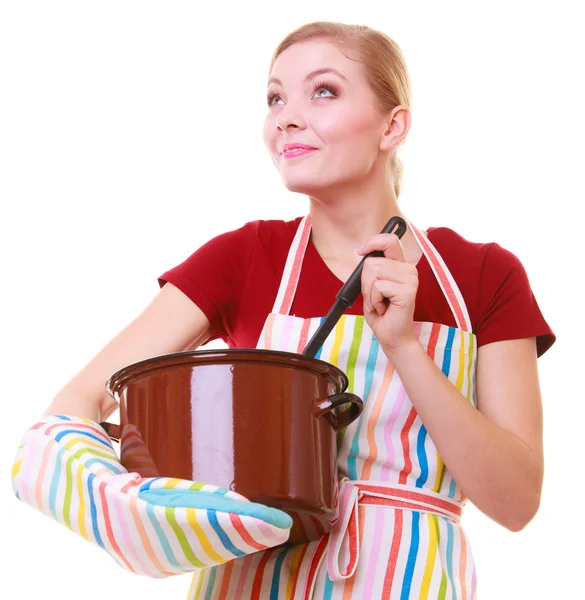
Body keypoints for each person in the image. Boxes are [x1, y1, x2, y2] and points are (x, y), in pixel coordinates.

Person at [42, 21, 555, 599]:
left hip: (413, 580)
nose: (285, 116)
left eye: (324, 91)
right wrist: (146, 517)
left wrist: (403, 345)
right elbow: (78, 405)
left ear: (393, 125)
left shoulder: (483, 275)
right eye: (275, 98)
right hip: (250, 580)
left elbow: (515, 503)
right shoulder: (242, 259)